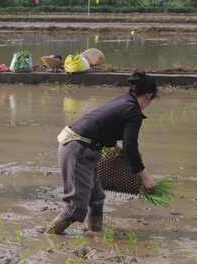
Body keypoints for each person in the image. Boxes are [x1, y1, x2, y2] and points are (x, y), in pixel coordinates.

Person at [47, 72, 158, 234]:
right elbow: (131, 147)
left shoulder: (123, 101)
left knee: (97, 198)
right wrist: (145, 177)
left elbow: (102, 124)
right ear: (149, 95)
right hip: (79, 150)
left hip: (80, 146)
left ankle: (94, 232)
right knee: (76, 208)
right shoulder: (133, 110)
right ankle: (49, 236)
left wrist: (113, 145)